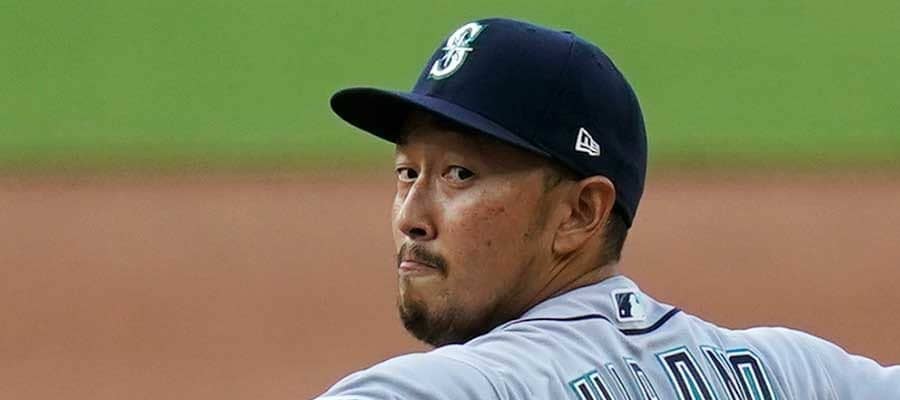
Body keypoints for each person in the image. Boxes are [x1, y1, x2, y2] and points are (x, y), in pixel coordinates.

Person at [319, 17, 899, 399]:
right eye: (407, 173)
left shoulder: (479, 385)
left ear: (581, 212)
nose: (411, 216)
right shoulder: (791, 371)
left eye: (459, 175)